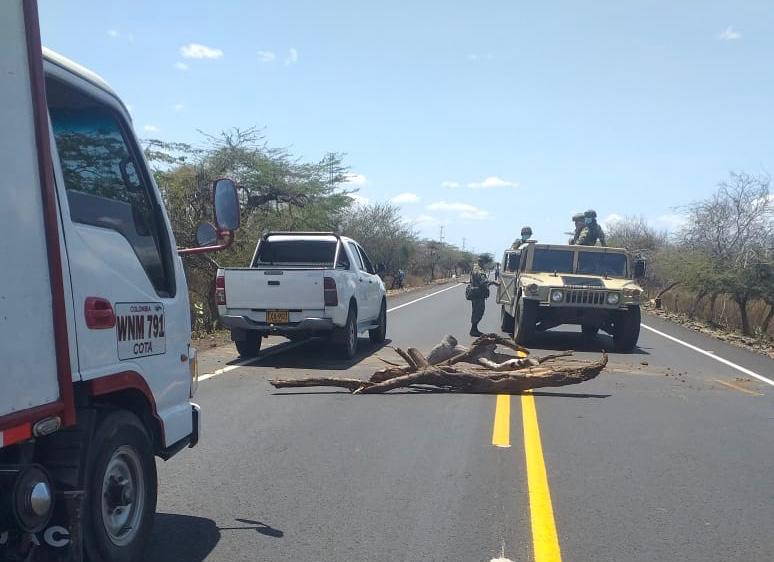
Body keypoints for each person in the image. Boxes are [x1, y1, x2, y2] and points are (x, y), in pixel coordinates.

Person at [466, 262, 498, 337]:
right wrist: (493, 282)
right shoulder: (480, 271)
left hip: (475, 293)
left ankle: (474, 329)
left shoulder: (475, 268)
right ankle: (473, 330)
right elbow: (483, 282)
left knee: (475, 311)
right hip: (478, 294)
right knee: (479, 311)